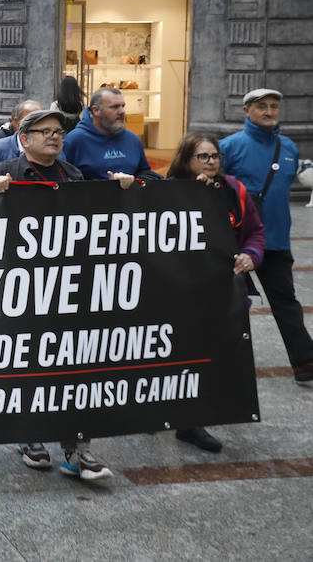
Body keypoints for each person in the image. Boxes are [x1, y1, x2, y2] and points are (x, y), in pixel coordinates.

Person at [0, 108, 121, 481]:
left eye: (59, 131)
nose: (55, 137)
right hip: (20, 287)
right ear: (25, 139)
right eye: (45, 131)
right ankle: (28, 435)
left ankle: (78, 450)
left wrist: (124, 192)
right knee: (27, 362)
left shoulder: (73, 175)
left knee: (73, 366)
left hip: (67, 287)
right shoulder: (5, 173)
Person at [165, 130, 266, 453]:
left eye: (214, 156)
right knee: (178, 353)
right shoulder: (167, 191)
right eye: (203, 156)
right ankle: (168, 412)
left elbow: (255, 232)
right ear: (186, 159)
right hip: (179, 290)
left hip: (225, 287)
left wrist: (252, 255)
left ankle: (192, 423)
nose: (210, 162)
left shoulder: (234, 189)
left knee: (213, 354)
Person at [220, 88, 313, 384]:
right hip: (238, 245)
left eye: (274, 106)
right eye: (262, 106)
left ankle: (305, 364)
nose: (269, 111)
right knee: (229, 306)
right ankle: (224, 366)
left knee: (286, 303)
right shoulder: (228, 147)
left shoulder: (288, 147)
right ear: (246, 111)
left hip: (276, 242)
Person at [61, 87, 160, 184]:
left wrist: (132, 181)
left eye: (123, 106)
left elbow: (145, 174)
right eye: (115, 107)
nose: (122, 112)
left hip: (128, 199)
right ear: (96, 110)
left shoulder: (133, 140)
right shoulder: (74, 140)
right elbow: (64, 181)